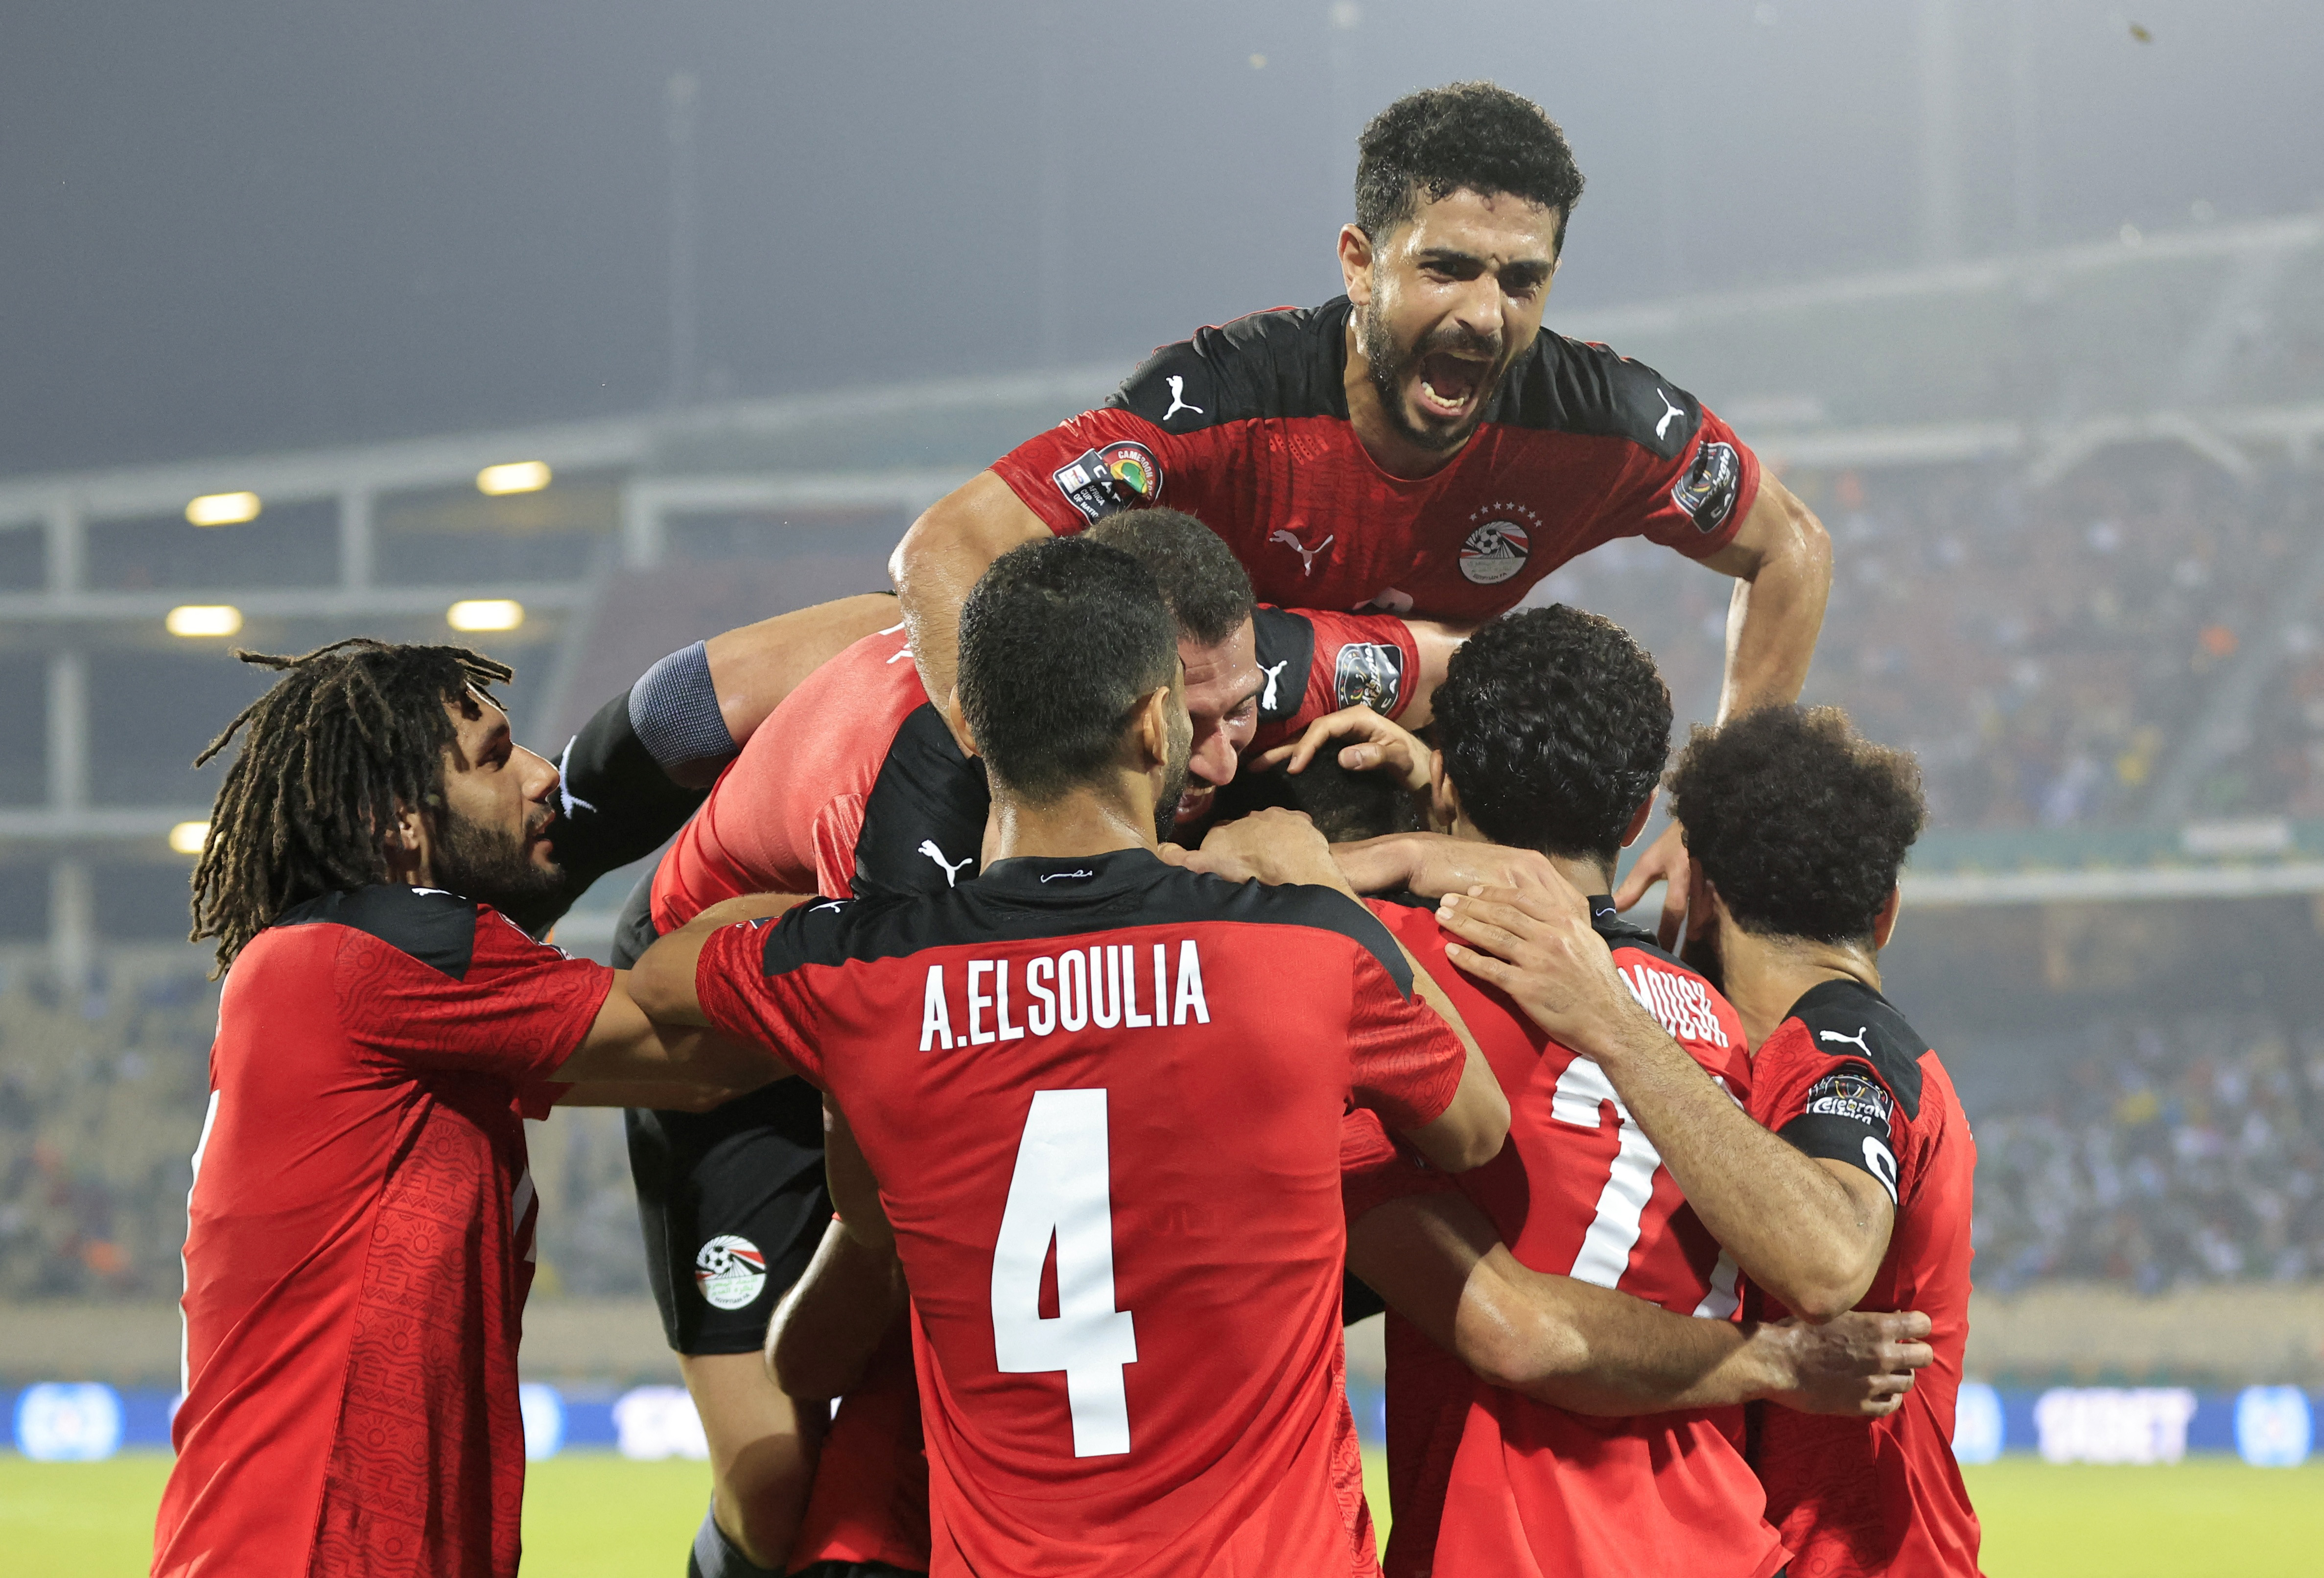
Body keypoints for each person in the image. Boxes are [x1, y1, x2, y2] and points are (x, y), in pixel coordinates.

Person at [630, 536, 1510, 1576]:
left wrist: (850, 923)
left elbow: (666, 962)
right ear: (1153, 722)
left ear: (972, 724)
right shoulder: (1304, 946)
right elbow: (1474, 1129)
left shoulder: (862, 978)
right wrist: (1321, 884)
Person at [891, 80, 1832, 944]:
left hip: (1389, 800)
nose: (1486, 315)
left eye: (1521, 281)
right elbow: (947, 548)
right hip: (1183, 773)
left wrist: (1714, 815)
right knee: (876, 650)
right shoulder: (1222, 398)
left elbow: (1792, 547)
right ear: (1358, 264)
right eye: (1447, 268)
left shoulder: (1606, 421)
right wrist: (1013, 779)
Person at [1202, 609, 1906, 1577]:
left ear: (1441, 778)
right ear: (1630, 822)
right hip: (1726, 1545)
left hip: (1511, 1548)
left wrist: (1336, 871)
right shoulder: (1720, 1019)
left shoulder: (1393, 968)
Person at [154, 639, 784, 1578]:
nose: (540, 778)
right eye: (495, 759)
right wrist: (889, 904)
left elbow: (696, 1075)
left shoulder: (368, 991)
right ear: (401, 823)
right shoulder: (376, 955)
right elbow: (695, 1046)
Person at [1434, 704, 1981, 1576]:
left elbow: (1829, 1259)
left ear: (1708, 895)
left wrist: (1613, 1021)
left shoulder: (1848, 1047)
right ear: (1885, 914)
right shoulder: (1740, 1043)